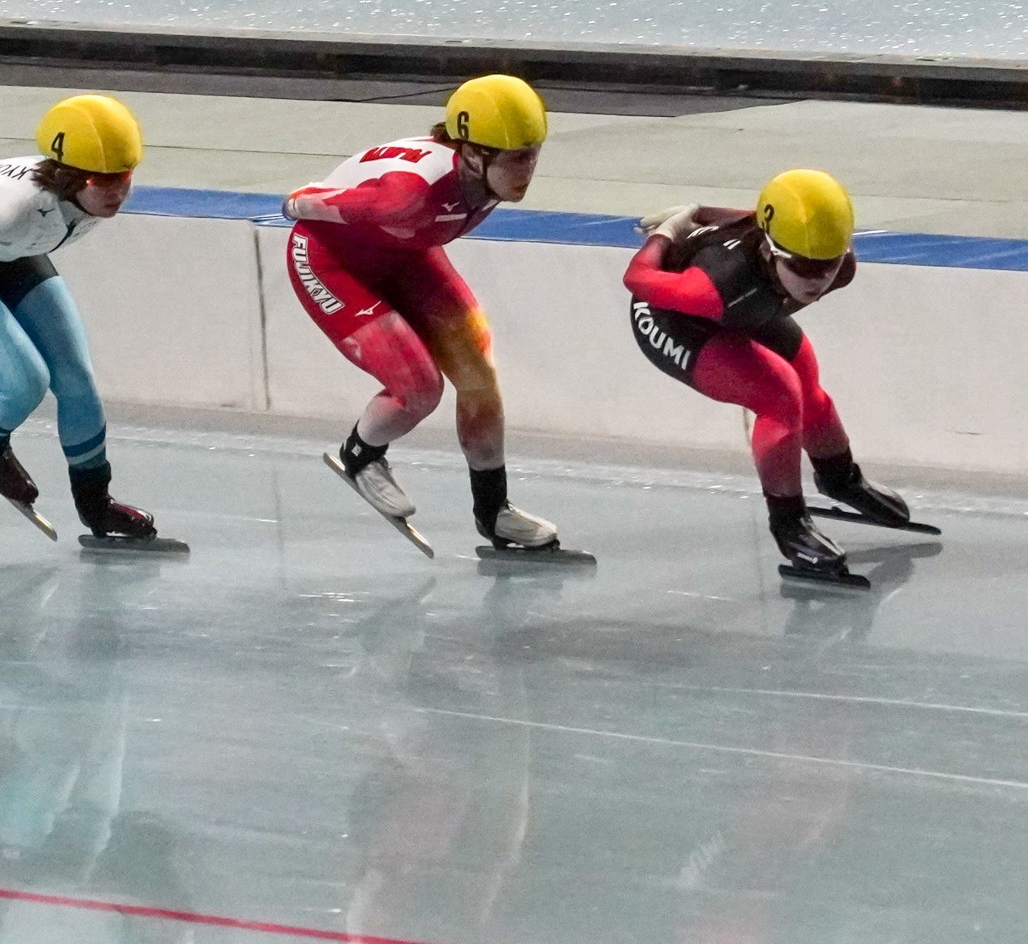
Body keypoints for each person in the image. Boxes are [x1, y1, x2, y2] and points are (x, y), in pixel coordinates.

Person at [284, 75, 561, 556]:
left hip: (406, 252)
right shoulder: (409, 194)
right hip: (331, 261)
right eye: (517, 158)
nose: (528, 170)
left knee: (479, 376)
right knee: (418, 387)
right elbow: (300, 202)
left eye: (534, 154)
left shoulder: (482, 171)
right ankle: (361, 455)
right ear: (472, 153)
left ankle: (493, 510)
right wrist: (298, 200)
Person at [623, 169, 912, 587]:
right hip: (670, 315)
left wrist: (701, 211)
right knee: (778, 394)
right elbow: (637, 279)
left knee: (805, 373)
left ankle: (841, 479)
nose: (817, 279)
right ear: (771, 250)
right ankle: (789, 524)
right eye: (803, 266)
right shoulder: (714, 284)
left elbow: (754, 216)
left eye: (828, 265)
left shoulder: (835, 264)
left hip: (746, 304)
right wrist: (665, 235)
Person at [0, 95, 165, 550]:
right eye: (100, 181)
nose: (116, 193)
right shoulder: (11, 209)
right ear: (67, 177)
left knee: (77, 380)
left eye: (123, 178)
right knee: (24, 382)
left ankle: (96, 504)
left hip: (12, 252)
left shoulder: (73, 189)